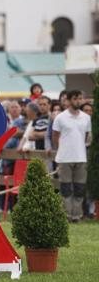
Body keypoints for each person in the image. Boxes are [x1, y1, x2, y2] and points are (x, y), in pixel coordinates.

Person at [52, 90, 92, 222]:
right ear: (68, 101)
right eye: (75, 98)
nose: (78, 101)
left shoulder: (86, 118)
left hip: (81, 157)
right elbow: (55, 137)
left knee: (80, 188)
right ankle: (66, 215)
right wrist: (63, 150)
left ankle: (77, 215)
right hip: (64, 158)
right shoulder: (60, 118)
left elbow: (86, 136)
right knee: (66, 188)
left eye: (80, 98)